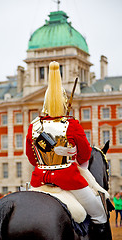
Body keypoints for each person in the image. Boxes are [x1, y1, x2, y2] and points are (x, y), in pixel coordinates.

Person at [26, 61, 111, 239]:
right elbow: (85, 154)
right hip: (69, 179)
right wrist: (71, 156)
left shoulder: (33, 126)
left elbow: (32, 159)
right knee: (100, 215)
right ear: (64, 103)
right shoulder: (71, 125)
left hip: (38, 180)